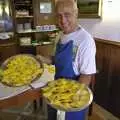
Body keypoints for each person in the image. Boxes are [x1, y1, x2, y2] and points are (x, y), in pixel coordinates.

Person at [37, 0, 96, 119]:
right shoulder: (60, 35)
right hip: (56, 89)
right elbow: (55, 59)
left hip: (73, 96)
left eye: (67, 15)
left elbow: (87, 76)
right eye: (59, 15)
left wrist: (68, 98)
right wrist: (41, 59)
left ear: (76, 13)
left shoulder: (85, 41)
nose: (63, 20)